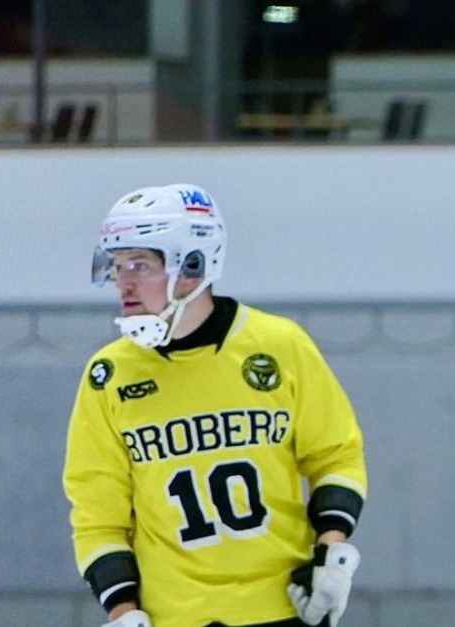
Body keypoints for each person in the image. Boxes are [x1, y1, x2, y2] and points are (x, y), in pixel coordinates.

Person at [63, 184, 368, 627]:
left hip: (283, 608)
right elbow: (97, 512)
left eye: (139, 265)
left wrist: (332, 555)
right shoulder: (108, 375)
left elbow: (335, 453)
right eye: (117, 266)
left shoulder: (280, 346)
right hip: (173, 618)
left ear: (192, 267)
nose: (122, 283)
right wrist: (123, 611)